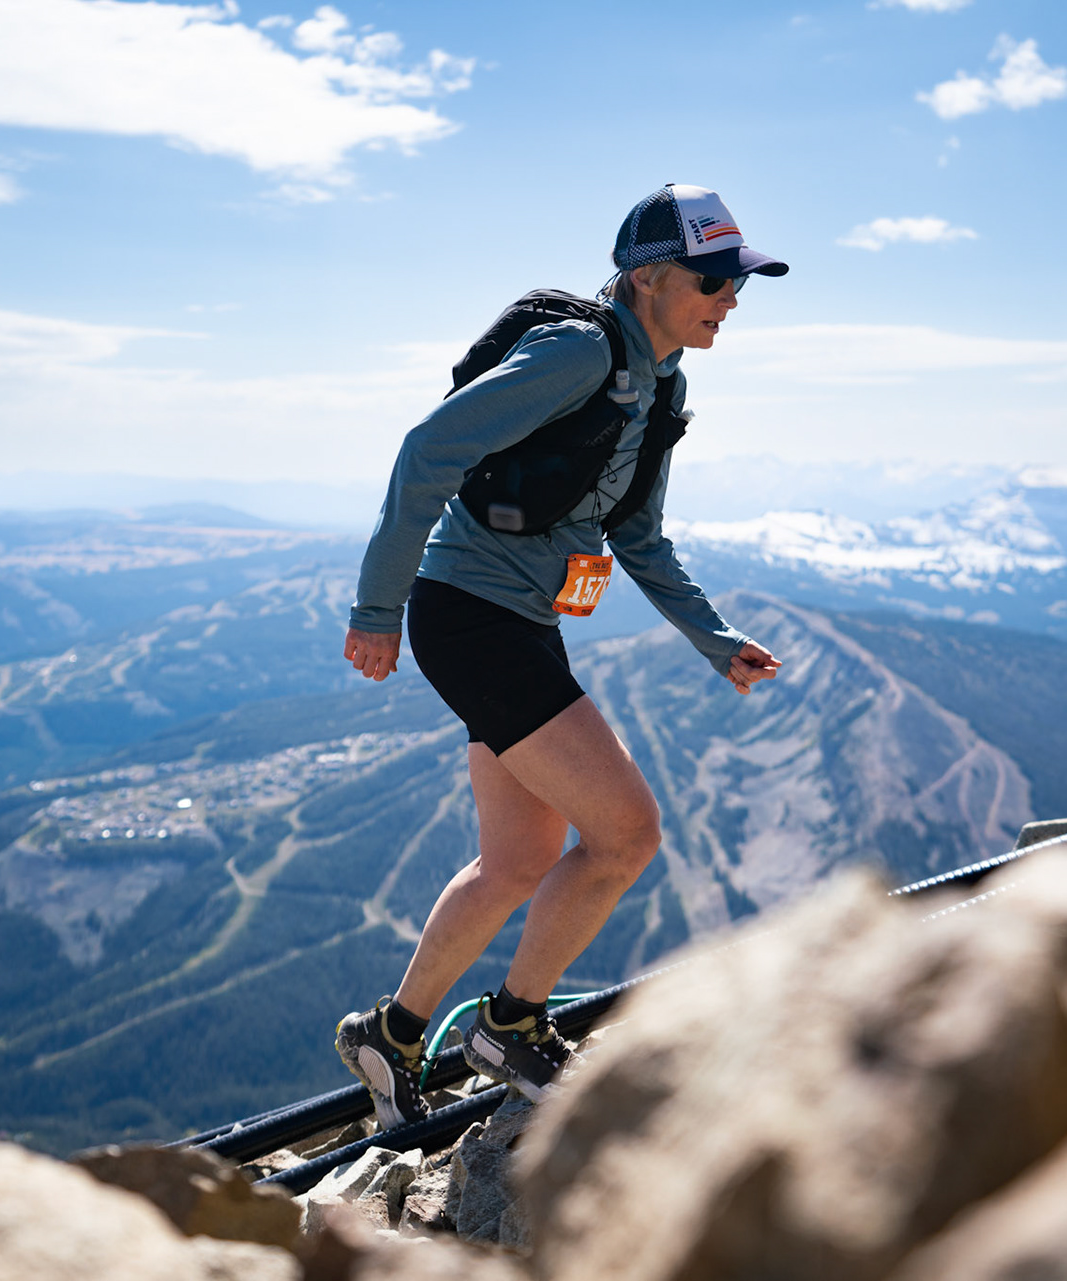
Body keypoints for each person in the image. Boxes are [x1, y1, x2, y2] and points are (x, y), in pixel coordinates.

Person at [335, 183, 786, 1127]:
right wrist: (377, 608)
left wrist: (715, 640)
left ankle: (392, 1034)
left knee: (519, 858)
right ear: (648, 277)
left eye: (739, 283)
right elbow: (427, 450)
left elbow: (639, 535)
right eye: (713, 280)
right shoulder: (579, 351)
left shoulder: (663, 384)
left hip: (517, 621)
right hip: (470, 616)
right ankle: (510, 1027)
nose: (731, 299)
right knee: (627, 834)